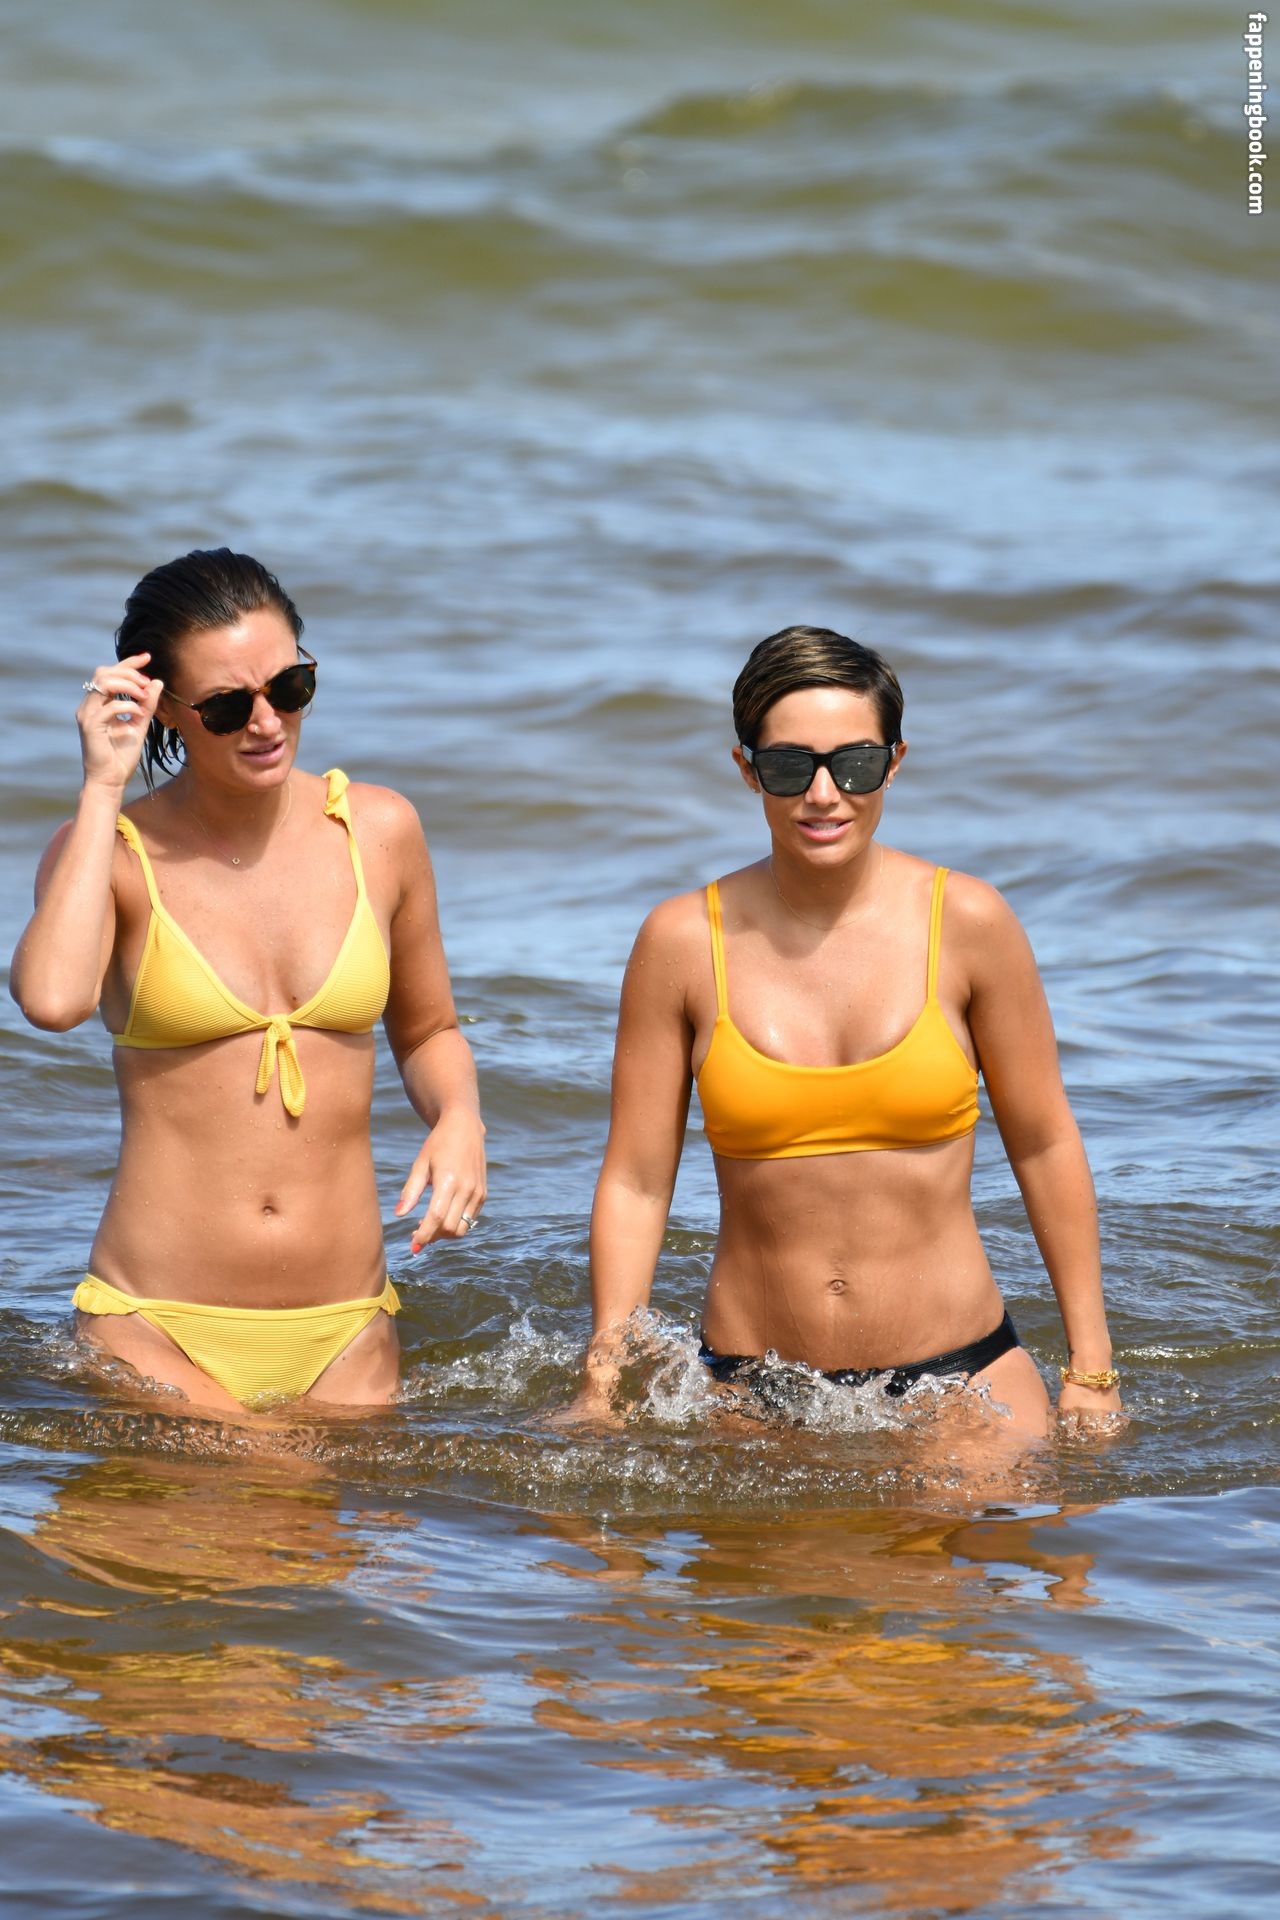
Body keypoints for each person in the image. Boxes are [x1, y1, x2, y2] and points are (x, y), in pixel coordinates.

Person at [572, 626, 1120, 1437]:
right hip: (744, 1384)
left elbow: (1043, 1144)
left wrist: (1091, 1367)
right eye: (789, 767)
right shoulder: (682, 942)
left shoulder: (969, 924)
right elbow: (637, 1181)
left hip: (962, 1377)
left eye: (855, 764)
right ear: (747, 770)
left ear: (895, 763)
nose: (824, 795)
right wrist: (603, 1376)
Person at [10, 549, 485, 1412]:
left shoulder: (378, 830)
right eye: (229, 706)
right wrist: (101, 787)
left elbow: (428, 1031)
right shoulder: (113, 853)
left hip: (348, 1327)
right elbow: (52, 1000)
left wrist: (460, 1118)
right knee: (255, 1490)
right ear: (167, 709)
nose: (266, 723)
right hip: (154, 1326)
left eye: (289, 689)